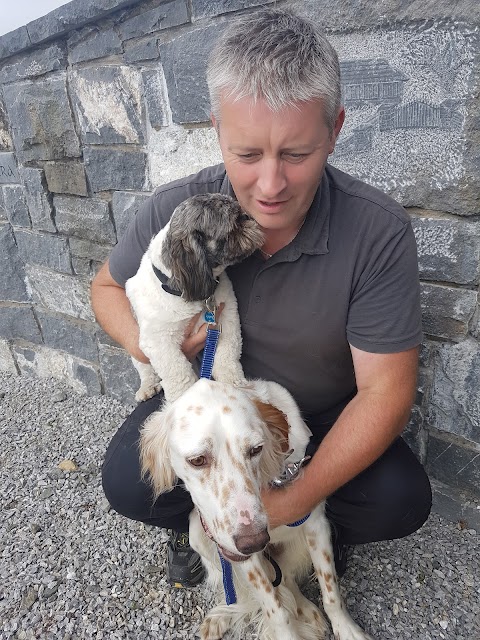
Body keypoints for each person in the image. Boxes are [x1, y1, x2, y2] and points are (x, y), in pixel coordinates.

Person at [91, 8, 432, 588]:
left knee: (400, 498)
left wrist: (292, 498)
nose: (270, 186)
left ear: (335, 129)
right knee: (126, 483)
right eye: (247, 155)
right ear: (217, 131)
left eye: (296, 155)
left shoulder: (378, 231)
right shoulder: (179, 212)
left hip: (316, 414)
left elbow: (386, 393)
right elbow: (105, 289)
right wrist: (152, 346)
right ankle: (203, 512)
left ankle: (305, 524)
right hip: (202, 402)